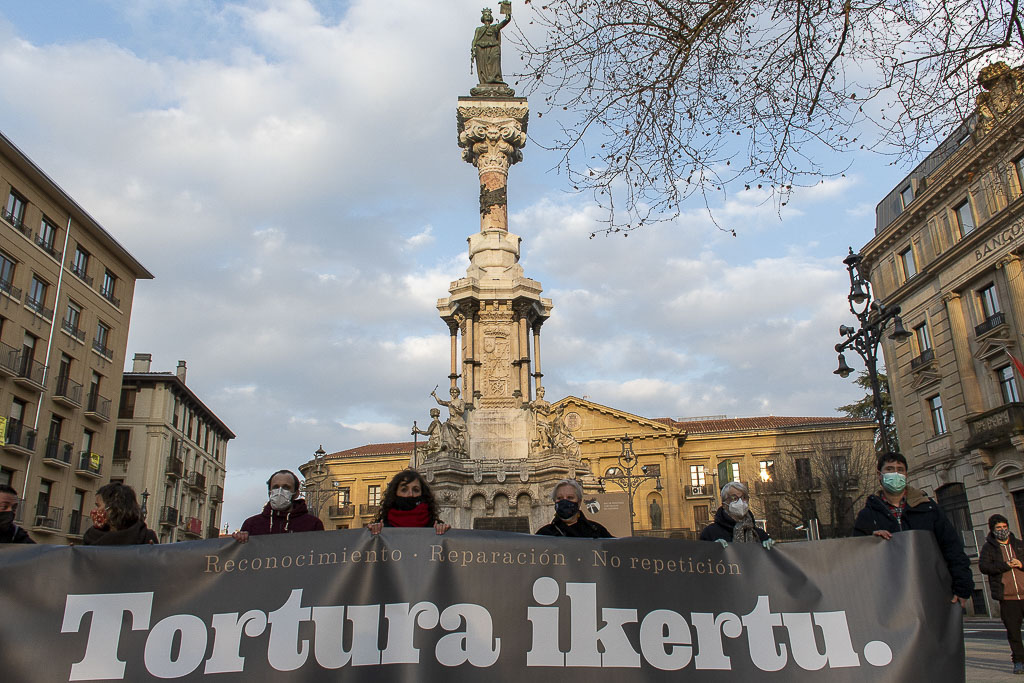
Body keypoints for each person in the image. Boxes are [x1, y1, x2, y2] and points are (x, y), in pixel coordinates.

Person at [853, 452, 972, 607]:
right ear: (879, 475)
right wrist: (870, 540)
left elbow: (952, 547)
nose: (895, 474)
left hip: (930, 591)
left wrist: (962, 587)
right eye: (889, 469)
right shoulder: (867, 515)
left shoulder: (929, 509)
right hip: (889, 598)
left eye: (900, 470)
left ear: (906, 474)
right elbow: (856, 556)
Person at [980, 514, 1024, 674]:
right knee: (1013, 632)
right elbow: (984, 567)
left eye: (1004, 527)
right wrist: (1005, 565)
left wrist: (1021, 564)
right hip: (1007, 597)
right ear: (993, 529)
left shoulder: (1019, 544)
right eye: (999, 528)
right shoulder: (989, 548)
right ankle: (1019, 661)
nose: (1002, 530)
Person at [233, 470, 324, 542]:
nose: (280, 492)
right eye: (276, 487)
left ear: (296, 494)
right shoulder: (251, 524)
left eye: (286, 487)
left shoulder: (313, 524)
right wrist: (240, 539)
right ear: (269, 492)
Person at [368, 469, 450, 535]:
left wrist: (444, 532)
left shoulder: (435, 526)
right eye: (404, 490)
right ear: (395, 493)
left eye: (416, 490)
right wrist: (374, 532)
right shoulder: (382, 527)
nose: (410, 494)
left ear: (423, 494)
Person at [700, 481, 774, 549]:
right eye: (734, 498)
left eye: (744, 497)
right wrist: (711, 548)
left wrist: (771, 549)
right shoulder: (710, 533)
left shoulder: (759, 534)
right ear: (724, 504)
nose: (741, 502)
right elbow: (701, 555)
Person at [83, 482, 158, 545]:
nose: (95, 510)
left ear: (113, 507)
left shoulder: (145, 537)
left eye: (98, 506)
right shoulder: (91, 536)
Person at [536, 479, 613, 538]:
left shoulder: (596, 532)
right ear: (554, 501)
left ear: (579, 502)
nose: (564, 501)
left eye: (570, 497)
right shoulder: (544, 534)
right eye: (560, 498)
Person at [472, 6, 511, 86]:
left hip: (493, 48)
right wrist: (473, 48)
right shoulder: (479, 29)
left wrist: (508, 14)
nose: (487, 16)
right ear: (483, 17)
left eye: (489, 14)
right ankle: (485, 81)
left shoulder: (495, 27)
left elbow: (504, 22)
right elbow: (475, 40)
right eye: (486, 14)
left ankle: (496, 78)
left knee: (495, 60)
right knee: (484, 67)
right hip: (482, 49)